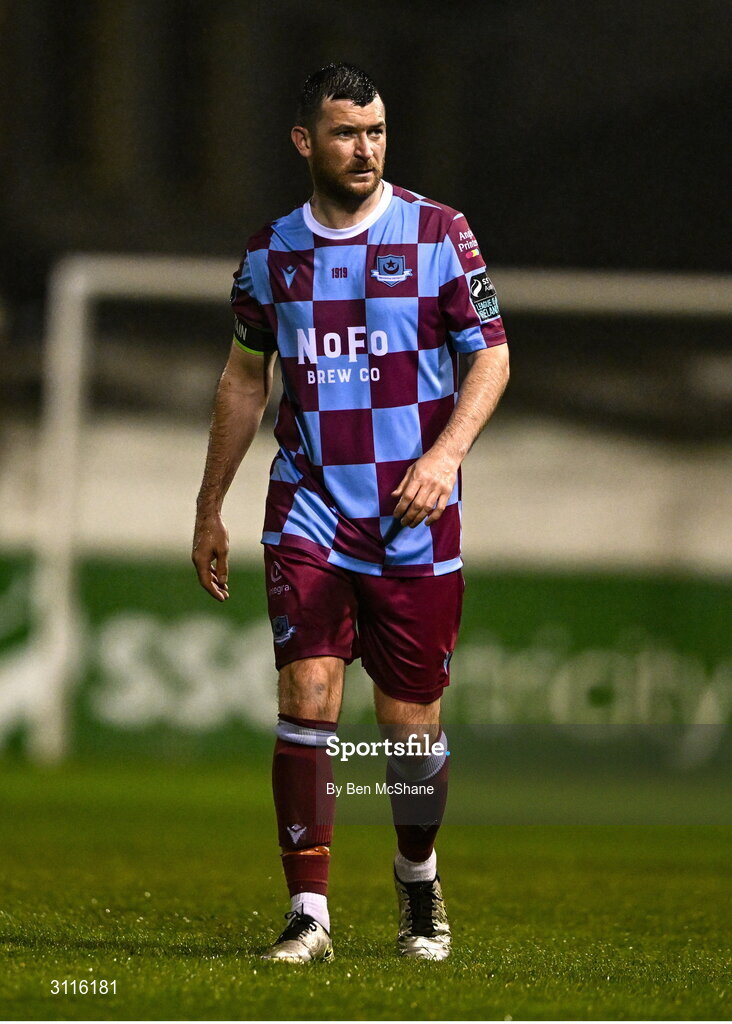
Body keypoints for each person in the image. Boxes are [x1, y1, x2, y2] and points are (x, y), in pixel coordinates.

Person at [192, 62, 509, 963]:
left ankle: (417, 881)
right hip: (311, 506)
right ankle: (309, 914)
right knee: (308, 693)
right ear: (305, 142)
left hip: (414, 516)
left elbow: (491, 358)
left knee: (411, 730)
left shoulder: (442, 235)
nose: (364, 148)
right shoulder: (268, 256)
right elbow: (245, 379)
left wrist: (445, 457)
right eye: (344, 133)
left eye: (374, 131)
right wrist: (210, 506)